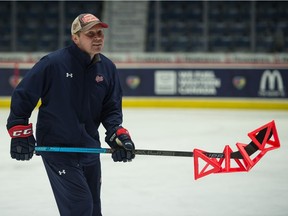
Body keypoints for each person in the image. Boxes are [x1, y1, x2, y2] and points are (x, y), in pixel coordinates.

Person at [6, 13, 135, 216]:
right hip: (58, 150)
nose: (98, 37)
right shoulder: (53, 64)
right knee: (80, 207)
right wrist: (19, 131)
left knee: (93, 210)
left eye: (99, 33)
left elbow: (111, 109)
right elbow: (24, 95)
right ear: (75, 38)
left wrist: (116, 133)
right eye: (90, 34)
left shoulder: (108, 68)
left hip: (90, 150)